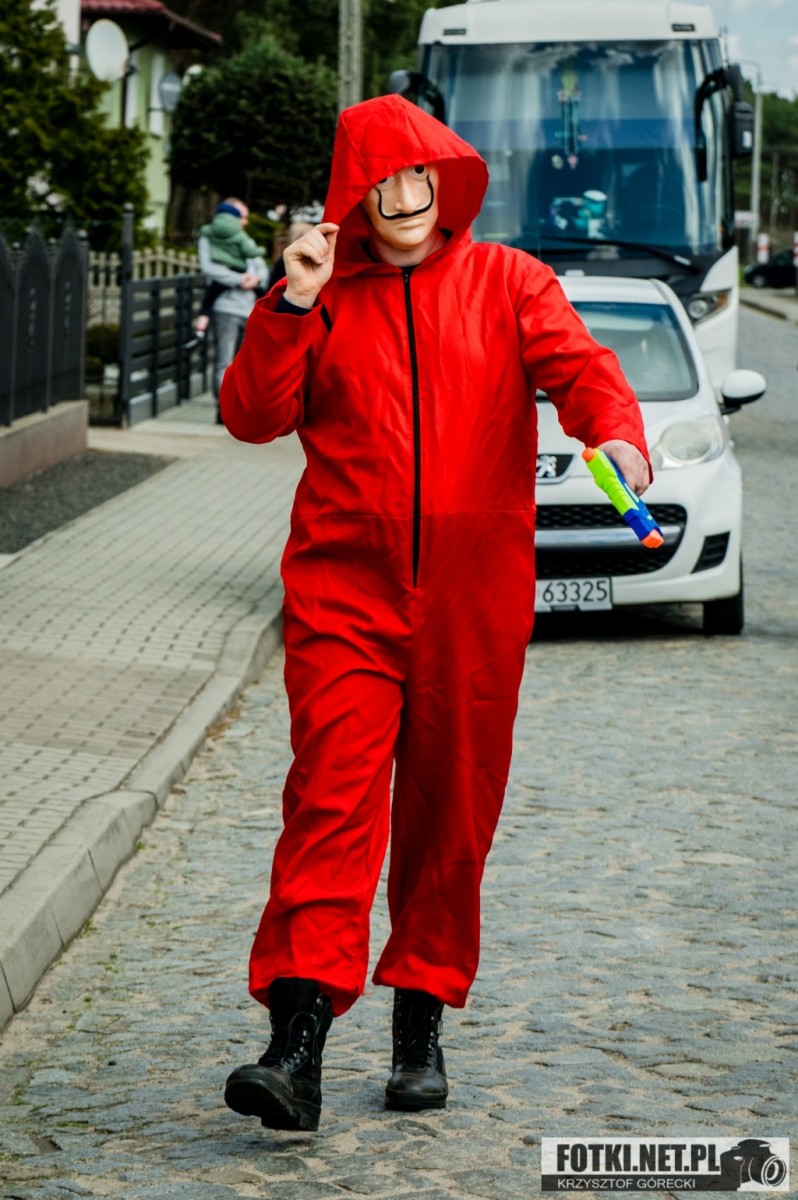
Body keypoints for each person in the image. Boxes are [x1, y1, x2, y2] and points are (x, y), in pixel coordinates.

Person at [219, 95, 651, 1133]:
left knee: (450, 814)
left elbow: (582, 371)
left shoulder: (510, 281)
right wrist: (291, 301)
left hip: (473, 597)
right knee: (330, 801)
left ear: (444, 181)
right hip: (345, 591)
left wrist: (618, 437)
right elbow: (250, 418)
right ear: (354, 197)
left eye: (418, 176)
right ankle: (296, 1045)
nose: (404, 195)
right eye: (381, 181)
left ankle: (420, 1021)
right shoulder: (320, 295)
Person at [196, 198, 267, 421]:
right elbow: (209, 268)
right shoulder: (208, 237)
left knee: (244, 363)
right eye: (242, 216)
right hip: (225, 308)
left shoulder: (244, 238)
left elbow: (261, 267)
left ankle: (240, 407)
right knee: (224, 361)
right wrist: (239, 279)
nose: (245, 222)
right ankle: (224, 409)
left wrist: (255, 280)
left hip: (249, 309)